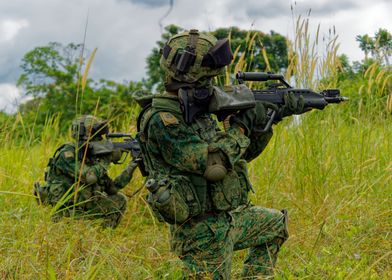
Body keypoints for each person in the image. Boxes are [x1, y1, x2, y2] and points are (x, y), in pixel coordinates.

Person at [137, 29, 305, 278]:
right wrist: (240, 126)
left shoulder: (197, 110)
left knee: (276, 224)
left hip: (229, 219)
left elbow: (240, 156)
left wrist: (268, 119)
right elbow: (213, 164)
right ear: (196, 74)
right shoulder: (163, 119)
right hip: (201, 233)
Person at [34, 115, 138, 228]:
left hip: (84, 208)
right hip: (66, 212)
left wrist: (131, 166)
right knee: (72, 232)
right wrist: (107, 160)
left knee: (120, 200)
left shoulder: (91, 156)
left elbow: (112, 188)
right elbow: (90, 177)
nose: (101, 140)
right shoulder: (67, 153)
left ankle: (104, 236)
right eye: (97, 136)